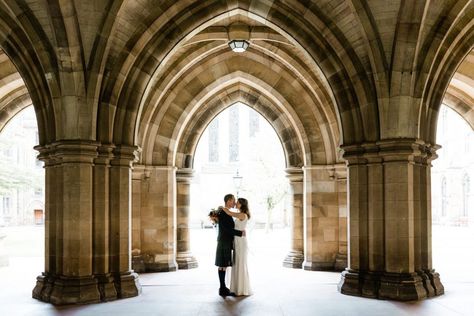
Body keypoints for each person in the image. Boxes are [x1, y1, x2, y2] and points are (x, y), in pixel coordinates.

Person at [212, 194, 245, 297]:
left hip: (225, 242)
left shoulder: (225, 211)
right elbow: (227, 229)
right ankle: (222, 289)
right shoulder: (224, 212)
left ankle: (223, 288)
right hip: (224, 242)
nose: (235, 202)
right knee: (222, 265)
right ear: (229, 201)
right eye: (233, 200)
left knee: (223, 266)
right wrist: (240, 233)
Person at [222, 197, 253, 296]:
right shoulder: (242, 214)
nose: (235, 204)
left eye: (237, 203)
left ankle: (241, 289)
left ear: (242, 205)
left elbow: (229, 213)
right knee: (237, 263)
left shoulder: (242, 214)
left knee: (240, 264)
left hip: (240, 241)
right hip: (238, 240)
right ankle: (237, 288)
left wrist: (221, 207)